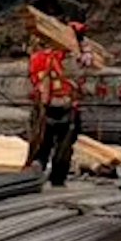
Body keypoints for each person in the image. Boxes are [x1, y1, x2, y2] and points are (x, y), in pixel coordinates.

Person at [26, 41, 78, 187]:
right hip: (65, 105)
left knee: (41, 143)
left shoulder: (36, 58)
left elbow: (33, 79)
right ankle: (58, 178)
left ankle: (36, 170)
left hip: (44, 105)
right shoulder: (65, 58)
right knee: (64, 146)